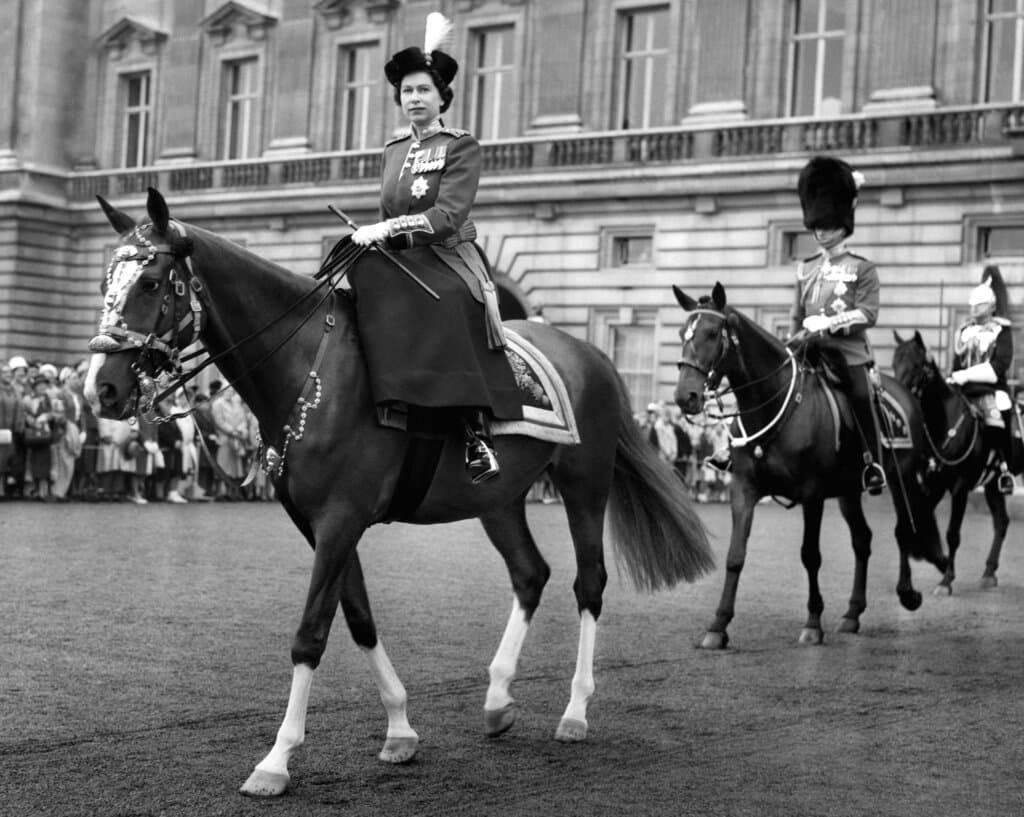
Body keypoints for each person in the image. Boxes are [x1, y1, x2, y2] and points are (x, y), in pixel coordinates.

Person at [346, 12, 521, 484]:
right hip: (399, 255)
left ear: (442, 96)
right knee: (353, 283)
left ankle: (474, 432)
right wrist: (370, 237)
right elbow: (387, 209)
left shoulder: (462, 146)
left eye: (423, 90)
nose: (414, 99)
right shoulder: (392, 149)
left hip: (448, 257)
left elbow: (447, 216)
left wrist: (389, 231)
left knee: (442, 303)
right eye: (407, 91)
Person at [706, 155, 886, 495]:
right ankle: (734, 448)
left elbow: (868, 314)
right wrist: (792, 339)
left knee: (861, 396)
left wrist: (829, 323)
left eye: (827, 225)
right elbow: (795, 313)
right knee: (758, 382)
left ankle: (871, 464)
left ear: (842, 224)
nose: (820, 231)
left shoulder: (862, 268)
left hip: (846, 353)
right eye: (816, 225)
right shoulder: (805, 268)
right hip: (804, 348)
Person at [948, 265, 1018, 494]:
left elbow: (999, 366)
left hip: (990, 388)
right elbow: (957, 363)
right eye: (973, 304)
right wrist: (955, 376)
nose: (975, 308)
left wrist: (966, 374)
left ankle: (1005, 466)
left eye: (980, 304)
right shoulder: (964, 331)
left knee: (1003, 409)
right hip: (964, 390)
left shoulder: (1001, 331)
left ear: (991, 306)